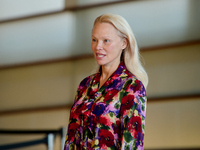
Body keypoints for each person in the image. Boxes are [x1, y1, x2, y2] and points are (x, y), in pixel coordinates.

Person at [64, 13, 148, 150]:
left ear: (124, 43)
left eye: (106, 41)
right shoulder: (85, 85)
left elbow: (132, 144)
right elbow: (71, 139)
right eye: (94, 40)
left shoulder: (132, 87)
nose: (98, 47)